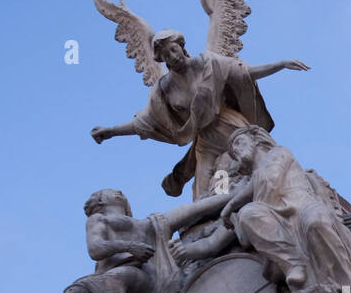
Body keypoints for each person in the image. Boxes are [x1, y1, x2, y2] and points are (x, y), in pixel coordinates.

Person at [90, 29, 308, 199]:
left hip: (233, 129)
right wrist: (111, 131)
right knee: (202, 191)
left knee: (240, 171)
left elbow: (245, 74)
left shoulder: (209, 63)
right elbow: (146, 122)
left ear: (182, 47)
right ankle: (210, 231)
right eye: (166, 55)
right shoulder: (164, 88)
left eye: (173, 50)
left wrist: (281, 64)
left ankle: (273, 202)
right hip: (206, 140)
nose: (172, 57)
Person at [171, 126, 351, 290]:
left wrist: (231, 203)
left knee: (315, 221)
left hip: (302, 206)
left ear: (255, 140)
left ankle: (350, 286)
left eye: (239, 143)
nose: (236, 150)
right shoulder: (251, 194)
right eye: (233, 151)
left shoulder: (279, 153)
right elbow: (215, 242)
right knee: (248, 214)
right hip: (275, 218)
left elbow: (269, 180)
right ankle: (292, 263)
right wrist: (187, 251)